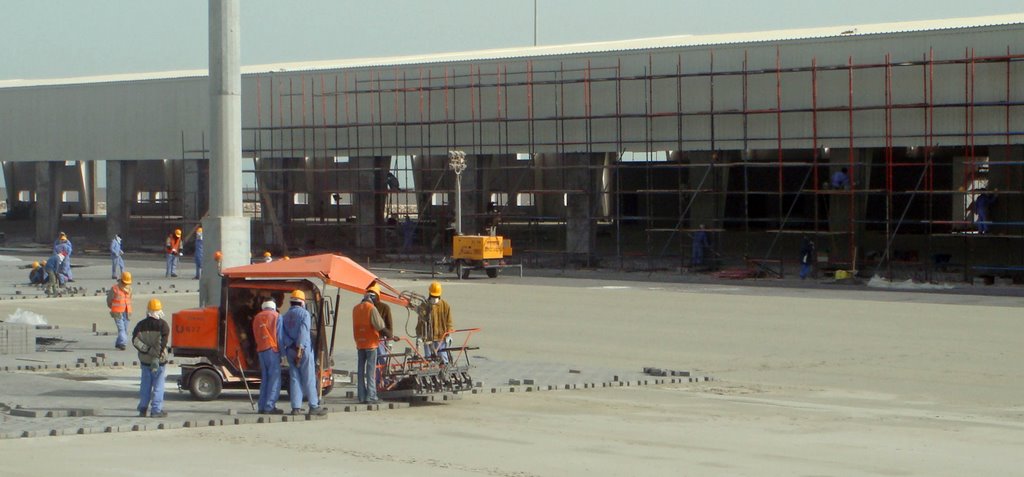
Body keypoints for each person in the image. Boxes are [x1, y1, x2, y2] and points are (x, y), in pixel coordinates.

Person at [279, 290, 327, 416]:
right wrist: (300, 349)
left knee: (294, 378)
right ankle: (313, 405)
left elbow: (282, 335)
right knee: (309, 378)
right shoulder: (304, 314)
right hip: (303, 351)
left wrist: (289, 347)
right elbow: (303, 332)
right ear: (302, 302)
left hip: (290, 350)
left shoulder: (284, 316)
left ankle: (296, 407)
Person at [353, 288, 399, 404]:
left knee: (360, 370)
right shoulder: (371, 308)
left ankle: (362, 396)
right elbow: (380, 326)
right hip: (371, 343)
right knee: (371, 370)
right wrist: (391, 336)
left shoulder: (356, 309)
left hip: (360, 343)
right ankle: (371, 396)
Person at [131, 298, 170, 418]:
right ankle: (156, 410)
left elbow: (135, 341)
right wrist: (156, 357)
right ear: (159, 310)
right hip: (159, 362)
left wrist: (146, 350)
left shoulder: (140, 325)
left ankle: (143, 409)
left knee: (145, 386)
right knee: (158, 386)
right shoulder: (163, 326)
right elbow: (161, 344)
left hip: (145, 361)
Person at [252, 299, 284, 414]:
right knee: (274, 379)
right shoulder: (276, 316)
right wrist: (283, 353)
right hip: (272, 350)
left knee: (265, 379)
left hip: (261, 350)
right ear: (274, 307)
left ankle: (261, 406)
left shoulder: (257, 317)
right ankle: (270, 406)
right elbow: (279, 336)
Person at [416, 281, 453, 363]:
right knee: (429, 359)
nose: (434, 298)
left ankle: (445, 370)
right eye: (432, 296)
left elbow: (449, 321)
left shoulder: (445, 306)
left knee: (443, 356)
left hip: (441, 337)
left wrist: (449, 335)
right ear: (429, 294)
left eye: (436, 296)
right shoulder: (424, 305)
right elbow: (420, 322)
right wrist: (419, 335)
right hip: (428, 338)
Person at [366, 282, 394, 388]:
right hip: (370, 340)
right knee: (373, 363)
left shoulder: (384, 307)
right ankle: (376, 383)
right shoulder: (366, 307)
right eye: (369, 294)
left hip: (381, 339)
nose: (371, 296)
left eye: (373, 294)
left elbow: (389, 324)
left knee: (382, 360)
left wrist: (390, 338)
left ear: (377, 295)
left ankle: (386, 380)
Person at [107, 271, 133, 350]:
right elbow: (109, 300)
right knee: (121, 329)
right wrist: (112, 307)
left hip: (127, 312)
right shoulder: (115, 288)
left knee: (124, 329)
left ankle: (118, 343)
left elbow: (130, 299)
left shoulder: (130, 289)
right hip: (117, 312)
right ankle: (122, 343)